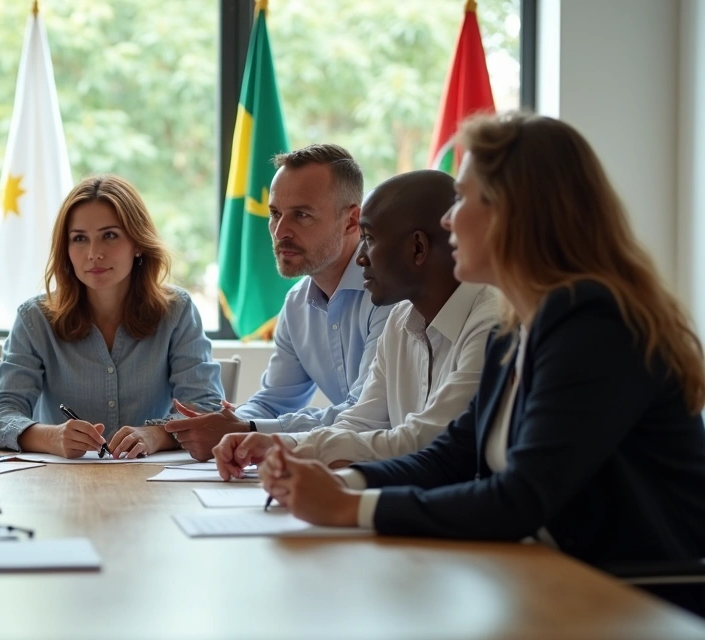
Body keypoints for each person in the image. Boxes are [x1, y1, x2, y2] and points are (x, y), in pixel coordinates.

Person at [259, 113, 705, 592]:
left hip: (633, 598)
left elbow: (520, 497)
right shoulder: (519, 326)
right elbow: (452, 455)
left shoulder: (594, 324)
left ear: (513, 214)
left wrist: (350, 507)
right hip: (546, 581)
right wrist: (342, 484)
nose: (447, 220)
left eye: (462, 199)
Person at [213, 170, 497, 476]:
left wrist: (293, 451)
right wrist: (278, 445)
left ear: (417, 248)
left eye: (369, 240)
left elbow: (427, 440)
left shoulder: (492, 324)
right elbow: (360, 421)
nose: (360, 258)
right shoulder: (401, 320)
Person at [165, 144, 392, 460]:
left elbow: (367, 415)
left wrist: (248, 428)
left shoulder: (389, 293)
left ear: (352, 221)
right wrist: (230, 422)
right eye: (275, 214)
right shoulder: (297, 303)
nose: (280, 231)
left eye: (301, 215)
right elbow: (273, 402)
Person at [0, 175, 223, 458]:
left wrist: (154, 435)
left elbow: (207, 411)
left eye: (110, 236)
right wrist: (52, 437)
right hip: (59, 479)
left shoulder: (177, 311)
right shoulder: (35, 318)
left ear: (138, 243)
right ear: (66, 250)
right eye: (80, 239)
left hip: (152, 475)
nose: (94, 254)